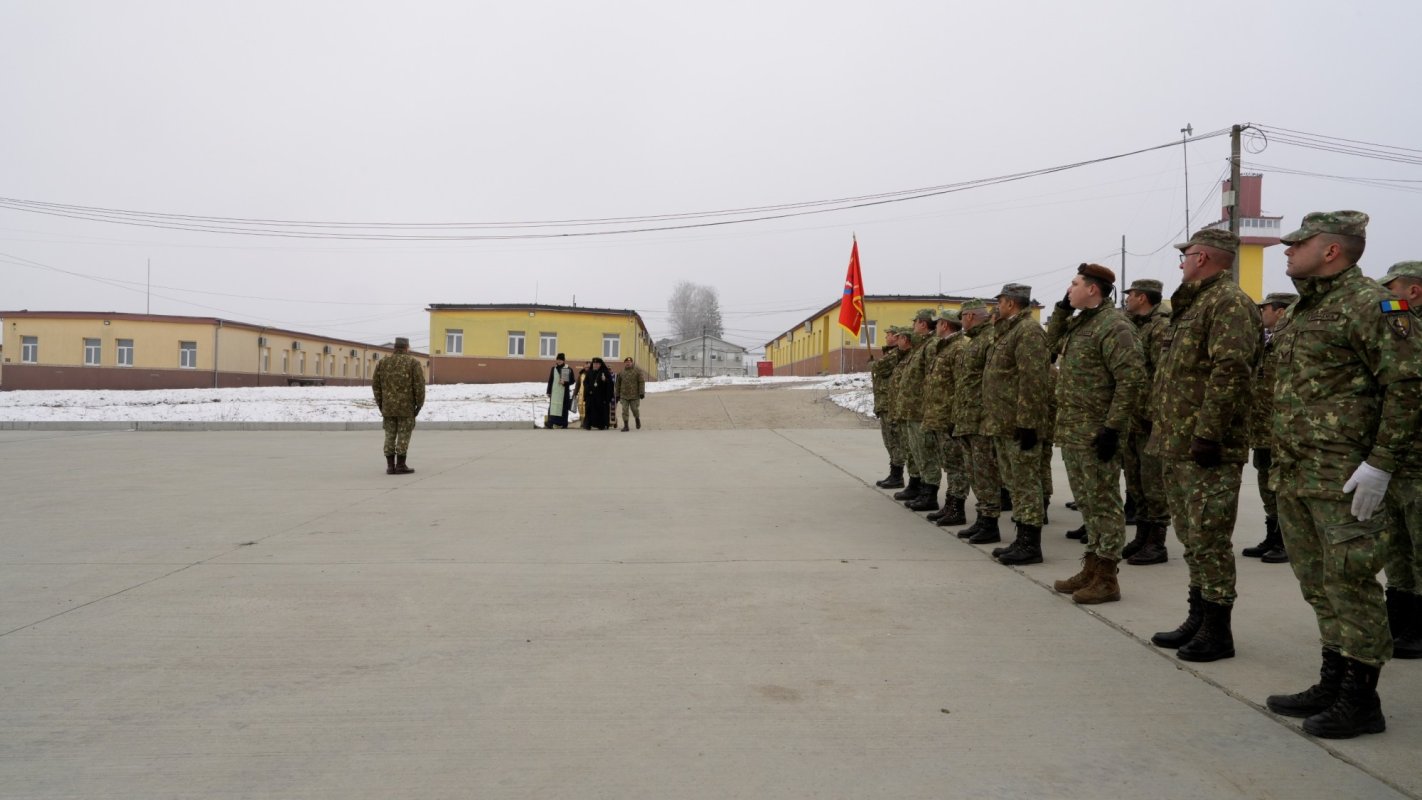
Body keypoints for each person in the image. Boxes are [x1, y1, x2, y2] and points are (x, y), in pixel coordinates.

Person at [1265, 214, 1422, 739]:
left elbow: (1408, 387)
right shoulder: (1305, 308)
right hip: (1297, 471)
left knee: (1352, 582)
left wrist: (1380, 463)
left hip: (1345, 475)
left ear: (1331, 250)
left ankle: (1361, 698)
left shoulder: (1376, 305)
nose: (1286, 252)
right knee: (1318, 583)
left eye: (1297, 244)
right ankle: (1333, 679)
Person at [1147, 227, 1260, 663]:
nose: (1182, 262)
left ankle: (1218, 629)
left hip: (1205, 444)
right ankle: (1198, 616)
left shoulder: (1228, 302)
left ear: (1204, 257)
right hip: (1178, 441)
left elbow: (1231, 371)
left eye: (1186, 255)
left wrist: (1209, 433)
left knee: (1210, 537)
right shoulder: (1193, 304)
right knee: (1192, 536)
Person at [1046, 264, 1146, 604]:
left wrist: (1113, 427)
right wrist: (1061, 309)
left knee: (1104, 502)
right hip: (1075, 429)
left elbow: (1131, 380)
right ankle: (1091, 566)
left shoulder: (1114, 326)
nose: (1069, 289)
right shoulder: (1080, 323)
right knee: (1088, 503)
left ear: (1093, 289)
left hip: (1097, 431)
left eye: (1073, 285)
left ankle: (1107, 577)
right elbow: (1050, 345)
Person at [982, 283, 1051, 565]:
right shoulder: (1009, 330)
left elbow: (1032, 378)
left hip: (1019, 423)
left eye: (999, 301)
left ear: (1011, 303)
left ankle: (1030, 543)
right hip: (1003, 421)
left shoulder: (1028, 331)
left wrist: (1028, 421)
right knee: (1014, 482)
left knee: (1025, 484)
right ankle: (1021, 539)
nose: (996, 306)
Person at [1378, 261, 1422, 661]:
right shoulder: (1399, 331)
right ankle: (1402, 624)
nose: (1385, 297)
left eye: (1391, 289)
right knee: (1395, 546)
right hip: (1396, 460)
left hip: (1418, 461)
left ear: (1414, 291)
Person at [1242, 292, 1299, 564]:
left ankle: (1286, 541)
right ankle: (1273, 536)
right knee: (1265, 479)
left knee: (1280, 484)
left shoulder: (1291, 338)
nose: (1260, 313)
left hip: (1280, 426)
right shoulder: (1267, 339)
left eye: (1264, 308)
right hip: (1262, 426)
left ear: (1280, 311)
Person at [1119, 278, 1172, 565]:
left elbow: (1161, 375)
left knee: (1153, 482)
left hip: (1150, 417)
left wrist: (1154, 414)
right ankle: (1142, 535)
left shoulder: (1161, 326)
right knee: (1135, 480)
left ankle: (1157, 542)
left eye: (1131, 296)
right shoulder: (1134, 324)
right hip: (1133, 415)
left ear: (1142, 298)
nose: (1127, 299)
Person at [952, 300, 1003, 541]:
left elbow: (992, 381)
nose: (960, 321)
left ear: (970, 316)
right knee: (974, 472)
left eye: (962, 317)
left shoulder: (989, 339)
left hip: (982, 419)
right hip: (968, 418)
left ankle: (990, 522)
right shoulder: (975, 341)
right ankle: (983, 518)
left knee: (985, 473)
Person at [923, 310, 970, 526]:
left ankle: (957, 508)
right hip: (941, 417)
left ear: (945, 325)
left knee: (957, 464)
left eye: (938, 323)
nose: (936, 327)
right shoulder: (947, 347)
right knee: (949, 464)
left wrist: (955, 417)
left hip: (950, 417)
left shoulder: (959, 347)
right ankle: (950, 505)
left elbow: (962, 385)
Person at [895, 309, 942, 511]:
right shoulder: (921, 346)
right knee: (917, 453)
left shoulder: (930, 346)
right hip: (912, 410)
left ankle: (929, 494)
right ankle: (921, 489)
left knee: (926, 454)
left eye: (915, 322)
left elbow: (931, 378)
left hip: (921, 410)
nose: (913, 325)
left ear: (923, 324)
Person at [371, 336, 425, 475]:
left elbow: (376, 385)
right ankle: (401, 465)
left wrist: (380, 403)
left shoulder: (383, 362)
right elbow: (419, 385)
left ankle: (390, 466)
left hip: (388, 407)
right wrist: (419, 404)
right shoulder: (413, 363)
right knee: (403, 435)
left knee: (389, 435)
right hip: (406, 407)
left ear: (395, 347)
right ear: (407, 347)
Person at [871, 328, 908, 489]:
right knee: (889, 441)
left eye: (889, 334)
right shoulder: (891, 353)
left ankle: (897, 475)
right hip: (884, 403)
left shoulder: (896, 354)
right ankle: (894, 474)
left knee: (894, 441)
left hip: (890, 403)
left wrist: (873, 364)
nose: (886, 336)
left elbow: (880, 368)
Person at [581, 357, 614, 430]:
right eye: (594, 364)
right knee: (589, 410)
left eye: (597, 364)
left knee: (600, 411)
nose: (595, 365)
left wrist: (605, 380)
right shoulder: (589, 372)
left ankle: (601, 425)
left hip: (601, 396)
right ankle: (588, 424)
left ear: (600, 364)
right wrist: (588, 389)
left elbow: (611, 383)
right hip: (591, 395)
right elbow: (585, 382)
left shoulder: (605, 372)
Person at [617, 356, 647, 431]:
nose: (628, 364)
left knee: (634, 409)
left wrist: (641, 392)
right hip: (624, 395)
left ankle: (637, 419)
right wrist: (617, 394)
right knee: (624, 410)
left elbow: (641, 382)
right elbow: (617, 383)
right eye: (626, 362)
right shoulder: (621, 372)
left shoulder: (637, 371)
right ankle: (626, 426)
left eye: (629, 362)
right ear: (625, 363)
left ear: (632, 362)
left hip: (634, 395)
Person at [545, 353, 574, 429]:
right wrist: (548, 391)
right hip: (555, 392)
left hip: (564, 393)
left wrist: (565, 382)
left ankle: (563, 423)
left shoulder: (567, 368)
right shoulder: (553, 368)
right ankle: (551, 422)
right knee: (553, 407)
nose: (559, 361)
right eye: (558, 359)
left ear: (563, 360)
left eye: (561, 360)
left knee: (563, 408)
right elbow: (550, 380)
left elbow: (572, 381)